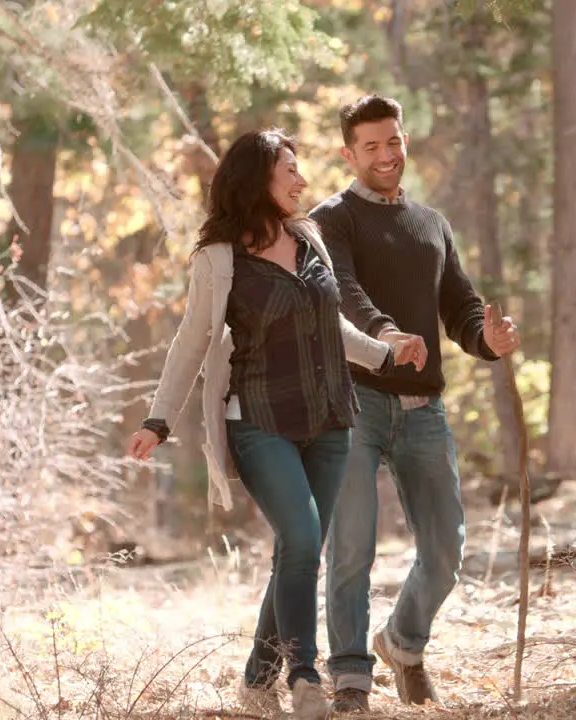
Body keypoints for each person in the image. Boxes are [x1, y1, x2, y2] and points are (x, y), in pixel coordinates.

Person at [126, 128, 427, 720]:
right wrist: (159, 421)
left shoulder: (308, 236)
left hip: (330, 419)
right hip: (259, 419)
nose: (301, 179)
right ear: (259, 176)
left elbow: (329, 325)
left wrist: (385, 353)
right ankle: (304, 676)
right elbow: (192, 343)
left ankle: (256, 680)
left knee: (297, 546)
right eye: (290, 169)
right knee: (305, 540)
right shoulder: (219, 259)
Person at [309, 95, 521, 713]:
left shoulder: (432, 224)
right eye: (370, 146)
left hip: (424, 408)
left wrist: (489, 337)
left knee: (447, 547)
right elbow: (341, 292)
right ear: (350, 154)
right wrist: (387, 334)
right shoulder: (332, 219)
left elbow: (459, 307)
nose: (385, 155)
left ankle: (402, 642)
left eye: (392, 142)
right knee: (351, 546)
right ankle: (351, 674)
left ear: (405, 142)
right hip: (354, 402)